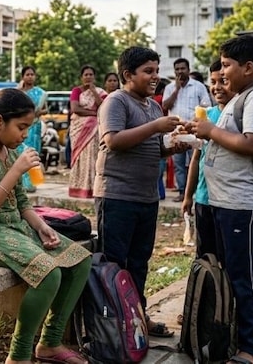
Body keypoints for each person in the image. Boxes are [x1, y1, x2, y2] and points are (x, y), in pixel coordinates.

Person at [0, 88, 91, 364]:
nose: (25, 134)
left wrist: (41, 227)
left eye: (29, 127)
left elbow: (22, 203)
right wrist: (16, 171)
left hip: (14, 228)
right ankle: (19, 355)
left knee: (79, 261)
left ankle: (50, 342)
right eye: (22, 127)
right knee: (48, 273)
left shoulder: (9, 151)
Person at [190, 35, 253, 364]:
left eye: (227, 65)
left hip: (243, 204)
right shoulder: (243, 98)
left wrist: (210, 130)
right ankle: (233, 338)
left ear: (248, 67)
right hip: (226, 201)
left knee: (246, 276)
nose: (222, 72)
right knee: (232, 272)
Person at [94, 47, 186, 339]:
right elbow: (114, 140)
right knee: (115, 264)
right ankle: (113, 326)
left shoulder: (153, 106)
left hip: (146, 197)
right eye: (148, 71)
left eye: (157, 71)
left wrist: (174, 146)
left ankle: (137, 318)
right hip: (117, 196)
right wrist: (155, 127)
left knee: (139, 263)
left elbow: (154, 147)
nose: (155, 77)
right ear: (127, 75)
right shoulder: (116, 102)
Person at [181, 60, 235, 259]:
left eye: (223, 81)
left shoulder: (237, 116)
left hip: (228, 200)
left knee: (227, 256)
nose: (217, 88)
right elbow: (196, 158)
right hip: (204, 198)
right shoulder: (206, 116)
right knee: (205, 257)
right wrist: (189, 196)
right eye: (213, 82)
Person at [161, 58, 211, 202]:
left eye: (182, 69)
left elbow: (206, 106)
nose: (180, 72)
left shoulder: (198, 86)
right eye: (177, 69)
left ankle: (193, 192)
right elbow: (165, 106)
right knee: (179, 163)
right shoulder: (170, 87)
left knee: (196, 161)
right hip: (176, 132)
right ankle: (182, 192)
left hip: (194, 130)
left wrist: (196, 121)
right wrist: (177, 89)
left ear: (188, 70)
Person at [68, 65, 107, 198]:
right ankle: (78, 188)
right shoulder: (76, 91)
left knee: (92, 157)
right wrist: (93, 113)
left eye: (91, 74)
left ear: (94, 77)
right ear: (81, 77)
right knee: (80, 158)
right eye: (86, 74)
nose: (88, 77)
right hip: (78, 130)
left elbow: (103, 106)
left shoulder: (100, 91)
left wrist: (94, 91)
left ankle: (91, 189)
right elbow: (75, 109)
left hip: (94, 131)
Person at [16, 66, 48, 192]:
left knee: (33, 153)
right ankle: (19, 183)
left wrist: (39, 112)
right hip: (20, 127)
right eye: (27, 74)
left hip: (34, 127)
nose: (30, 77)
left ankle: (31, 184)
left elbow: (45, 109)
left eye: (32, 74)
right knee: (20, 153)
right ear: (23, 77)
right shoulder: (19, 93)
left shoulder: (40, 93)